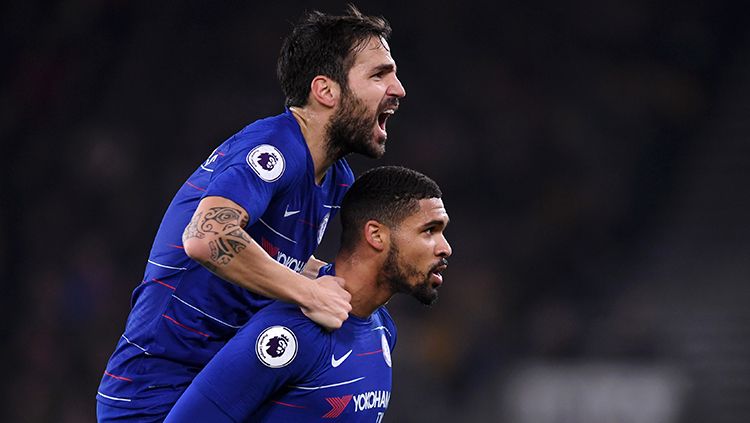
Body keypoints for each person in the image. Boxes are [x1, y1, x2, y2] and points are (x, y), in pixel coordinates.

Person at [96, 5, 406, 421]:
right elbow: (206, 237)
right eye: (378, 74)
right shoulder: (275, 149)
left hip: (225, 385)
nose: (398, 88)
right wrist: (308, 291)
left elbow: (283, 261)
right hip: (153, 397)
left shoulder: (335, 180)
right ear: (326, 91)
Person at [164, 166, 451, 422]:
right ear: (376, 235)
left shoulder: (383, 329)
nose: (445, 248)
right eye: (429, 231)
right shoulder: (289, 333)